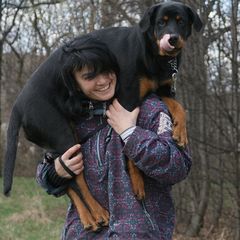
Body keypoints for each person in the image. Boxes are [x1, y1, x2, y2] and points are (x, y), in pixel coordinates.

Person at [36, 35, 192, 240]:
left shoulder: (150, 109)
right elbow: (44, 174)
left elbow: (178, 166)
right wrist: (57, 172)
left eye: (106, 70)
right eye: (90, 76)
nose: (103, 81)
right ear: (75, 83)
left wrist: (131, 133)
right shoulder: (73, 119)